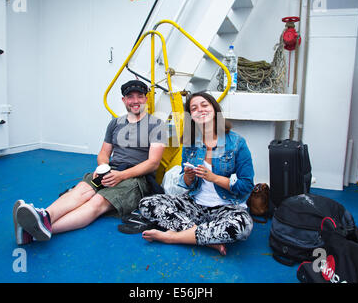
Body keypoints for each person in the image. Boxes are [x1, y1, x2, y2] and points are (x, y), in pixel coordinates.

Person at [13, 80, 166, 245]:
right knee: (80, 191)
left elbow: (153, 163)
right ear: (123, 100)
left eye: (140, 96)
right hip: (111, 170)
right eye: (130, 97)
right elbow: (103, 153)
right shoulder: (115, 123)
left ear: (146, 99)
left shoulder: (156, 125)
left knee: (97, 201)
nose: (135, 101)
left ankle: (33, 232)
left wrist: (121, 176)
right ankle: (45, 216)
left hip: (136, 178)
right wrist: (103, 168)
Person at [138, 92, 254, 256]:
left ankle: (173, 237)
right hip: (195, 205)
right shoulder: (190, 142)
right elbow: (186, 184)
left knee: (241, 227)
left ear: (214, 109)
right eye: (194, 108)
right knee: (147, 204)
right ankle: (207, 240)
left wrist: (214, 178)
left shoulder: (237, 142)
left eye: (204, 105)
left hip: (227, 207)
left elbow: (246, 185)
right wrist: (188, 177)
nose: (200, 110)